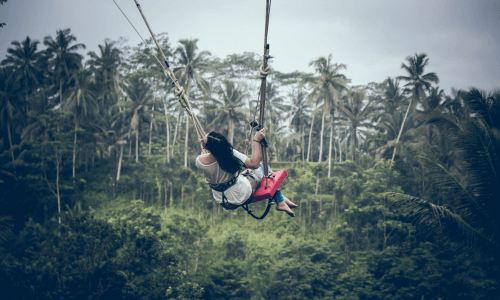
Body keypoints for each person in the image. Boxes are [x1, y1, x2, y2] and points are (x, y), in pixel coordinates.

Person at [196, 128, 297, 217]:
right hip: (240, 196)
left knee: (246, 174)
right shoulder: (230, 153)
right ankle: (280, 201)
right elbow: (254, 164)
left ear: (207, 148)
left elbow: (208, 160)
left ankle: (280, 199)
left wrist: (205, 148)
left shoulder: (199, 161)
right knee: (262, 167)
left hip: (222, 201)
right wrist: (256, 140)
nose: (202, 139)